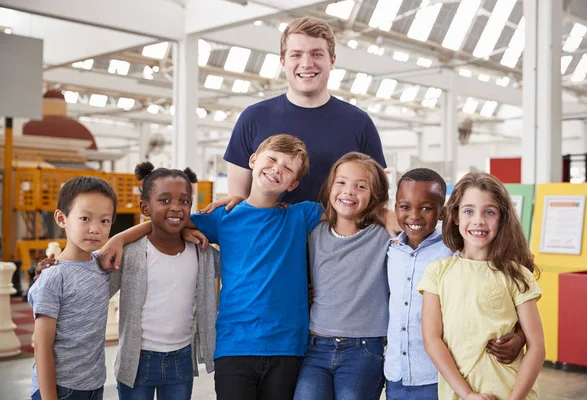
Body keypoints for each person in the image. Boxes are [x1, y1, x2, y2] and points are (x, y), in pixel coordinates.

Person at [99, 134, 323, 400]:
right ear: (253, 160)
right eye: (272, 159)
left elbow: (350, 212)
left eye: (288, 168)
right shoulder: (223, 217)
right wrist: (119, 238)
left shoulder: (300, 215)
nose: (277, 168)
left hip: (287, 348)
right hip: (233, 347)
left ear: (294, 183)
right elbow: (168, 221)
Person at [385, 168, 527, 400]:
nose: (414, 216)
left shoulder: (455, 250)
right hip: (396, 371)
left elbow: (507, 293)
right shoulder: (390, 248)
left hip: (442, 373)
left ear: (443, 213)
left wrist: (520, 335)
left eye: (426, 208)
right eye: (405, 207)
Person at [224, 16, 386, 204]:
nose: (307, 63)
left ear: (332, 61)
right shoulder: (252, 118)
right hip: (269, 233)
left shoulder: (360, 123)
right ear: (283, 62)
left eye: (317, 54)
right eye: (296, 54)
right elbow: (237, 201)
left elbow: (377, 199)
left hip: (340, 233)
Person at [419, 171, 545, 400]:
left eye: (489, 212)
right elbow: (432, 340)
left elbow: (536, 347)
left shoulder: (517, 275)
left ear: (502, 218)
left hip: (511, 392)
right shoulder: (437, 273)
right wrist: (467, 394)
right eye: (468, 211)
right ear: (455, 215)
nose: (478, 220)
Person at [109, 162, 219, 399]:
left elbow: (244, 261)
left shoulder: (202, 253)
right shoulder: (131, 253)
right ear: (145, 207)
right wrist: (53, 269)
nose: (177, 208)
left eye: (184, 201)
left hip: (181, 360)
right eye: (165, 200)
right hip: (137, 361)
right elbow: (94, 281)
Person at [292, 152, 392, 400]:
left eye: (361, 186)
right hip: (315, 345)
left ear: (375, 195)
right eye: (341, 182)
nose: (349, 191)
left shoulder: (383, 235)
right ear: (329, 187)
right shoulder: (314, 232)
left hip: (365, 348)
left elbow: (416, 221)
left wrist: (386, 214)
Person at [28, 176, 117, 400]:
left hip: (94, 385)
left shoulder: (101, 265)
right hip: (59, 389)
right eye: (85, 218)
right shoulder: (54, 276)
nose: (95, 229)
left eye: (105, 221)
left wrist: (118, 240)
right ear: (61, 218)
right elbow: (42, 346)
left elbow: (147, 231)